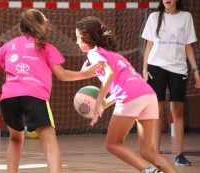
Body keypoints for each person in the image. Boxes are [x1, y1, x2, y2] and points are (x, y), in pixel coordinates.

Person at [0, 9, 100, 173]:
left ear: (20, 29)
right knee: (51, 146)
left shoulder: (9, 45)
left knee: (15, 140)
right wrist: (85, 74)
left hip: (9, 98)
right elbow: (62, 75)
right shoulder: (45, 47)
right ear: (42, 27)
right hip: (35, 96)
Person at [75, 16, 179, 173]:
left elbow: (110, 76)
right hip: (148, 94)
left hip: (131, 96)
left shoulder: (94, 53)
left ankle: (149, 171)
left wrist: (98, 101)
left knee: (113, 143)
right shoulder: (114, 54)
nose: (77, 42)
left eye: (78, 38)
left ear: (87, 37)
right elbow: (123, 86)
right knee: (148, 151)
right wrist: (103, 104)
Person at [142, 0, 200, 166]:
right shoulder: (154, 17)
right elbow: (148, 46)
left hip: (178, 68)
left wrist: (196, 70)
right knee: (158, 109)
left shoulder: (186, 17)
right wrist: (145, 70)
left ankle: (180, 154)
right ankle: (155, 153)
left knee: (178, 109)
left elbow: (188, 46)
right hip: (156, 67)